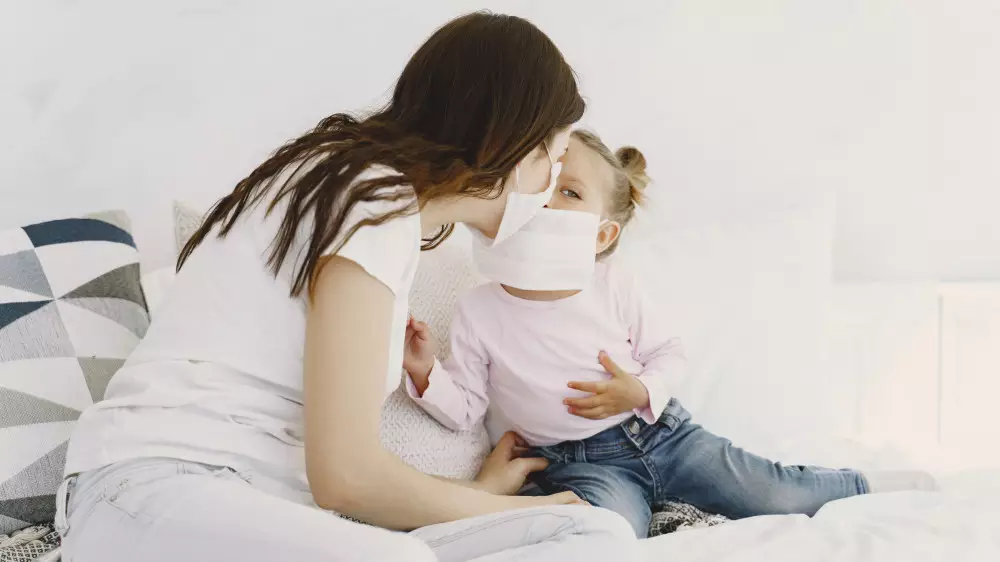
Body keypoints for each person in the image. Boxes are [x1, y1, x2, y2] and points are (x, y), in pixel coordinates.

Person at [56, 13, 640, 562]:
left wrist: (479, 497)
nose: (547, 190)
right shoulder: (370, 198)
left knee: (594, 531)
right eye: (551, 161)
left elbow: (343, 481)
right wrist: (500, 508)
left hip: (251, 504)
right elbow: (346, 478)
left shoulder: (376, 200)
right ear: (508, 145)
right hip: (151, 489)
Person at [402, 129, 939, 538]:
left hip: (662, 435)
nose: (548, 201)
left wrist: (639, 390)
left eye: (569, 192)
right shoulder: (479, 308)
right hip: (576, 464)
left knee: (769, 491)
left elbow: (669, 353)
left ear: (601, 236)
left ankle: (863, 485)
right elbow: (466, 408)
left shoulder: (612, 284)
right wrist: (425, 372)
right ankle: (646, 513)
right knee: (607, 529)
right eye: (542, 186)